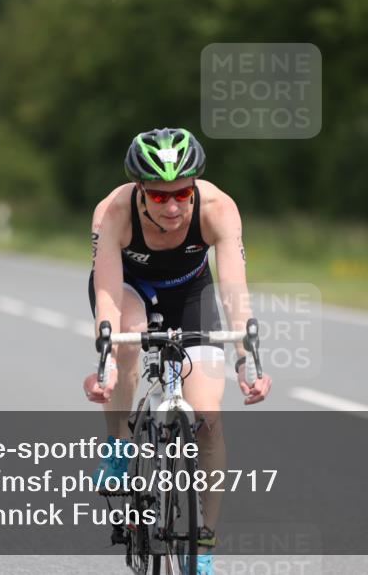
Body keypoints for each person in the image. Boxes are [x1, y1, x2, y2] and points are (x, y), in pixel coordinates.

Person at [84, 128, 272, 574]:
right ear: (140, 191)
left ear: (194, 188)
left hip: (190, 293)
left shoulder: (218, 209)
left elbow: (234, 292)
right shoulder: (113, 212)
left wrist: (246, 358)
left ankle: (202, 546)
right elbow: (107, 293)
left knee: (208, 421)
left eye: (182, 193)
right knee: (128, 333)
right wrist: (106, 358)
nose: (172, 206)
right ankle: (119, 445)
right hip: (130, 289)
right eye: (158, 196)